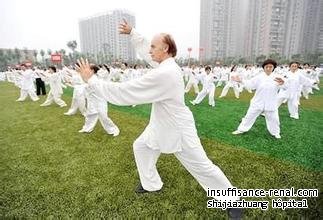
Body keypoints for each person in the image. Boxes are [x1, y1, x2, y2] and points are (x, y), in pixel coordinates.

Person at [76, 19, 242, 219]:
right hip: (161, 123)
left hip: (178, 128)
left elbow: (123, 93)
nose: (150, 50)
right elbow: (148, 49)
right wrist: (133, 33)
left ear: (165, 49)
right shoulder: (165, 64)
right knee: (142, 147)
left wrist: (92, 80)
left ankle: (233, 201)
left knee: (201, 166)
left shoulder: (165, 73)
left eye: (154, 47)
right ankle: (151, 184)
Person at [231, 59, 284, 139]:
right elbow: (250, 85)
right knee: (249, 116)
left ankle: (275, 132)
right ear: (264, 67)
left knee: (274, 119)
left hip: (271, 102)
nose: (269, 68)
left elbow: (286, 86)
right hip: (258, 101)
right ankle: (241, 129)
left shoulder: (278, 77)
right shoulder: (259, 77)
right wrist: (241, 81)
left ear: (274, 68)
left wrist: (283, 83)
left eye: (271, 67)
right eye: (267, 67)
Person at [78, 64, 120, 136]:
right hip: (92, 100)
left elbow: (92, 87)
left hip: (100, 101)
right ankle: (87, 128)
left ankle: (113, 129)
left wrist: (86, 84)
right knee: (90, 115)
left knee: (103, 116)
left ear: (92, 71)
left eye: (88, 69)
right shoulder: (89, 78)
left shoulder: (95, 79)